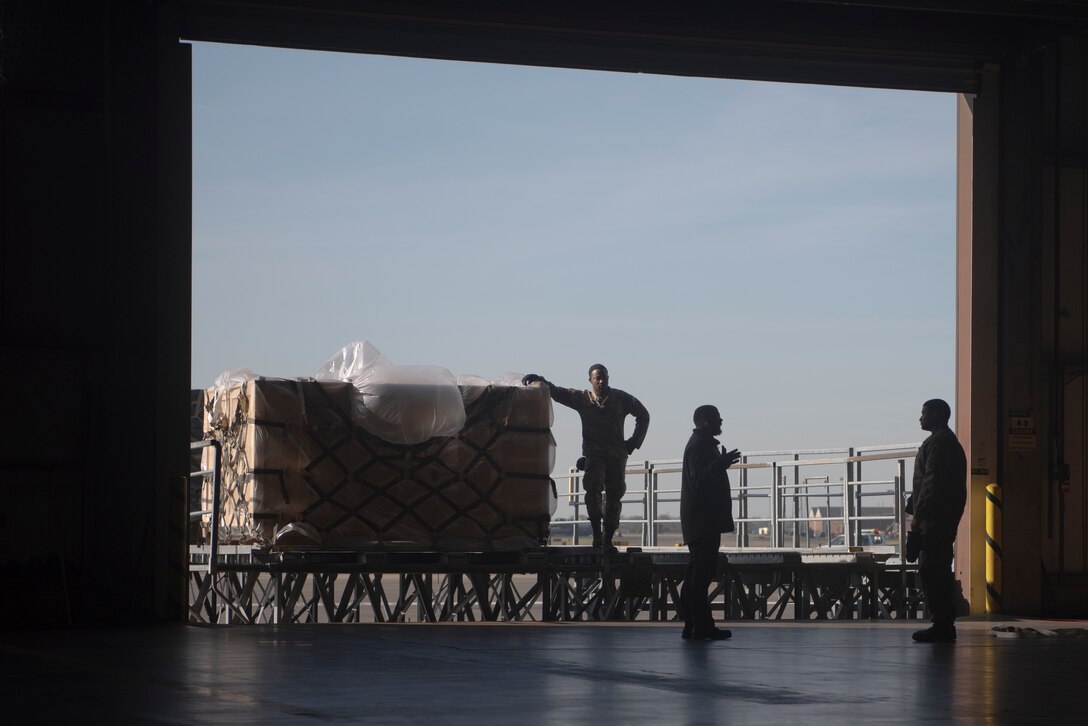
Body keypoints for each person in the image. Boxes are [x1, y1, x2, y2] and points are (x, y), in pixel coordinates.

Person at [522, 365, 649, 550]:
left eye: (604, 377)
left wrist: (633, 442)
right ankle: (597, 535)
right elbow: (558, 393)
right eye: (597, 378)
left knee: (615, 496)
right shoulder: (583, 399)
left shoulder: (620, 398)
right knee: (592, 492)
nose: (601, 381)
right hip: (594, 455)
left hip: (616, 456)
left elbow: (644, 415)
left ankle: (608, 538)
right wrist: (541, 380)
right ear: (590, 380)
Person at [905, 398, 967, 643]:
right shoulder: (942, 442)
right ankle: (941, 622)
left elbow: (932, 483)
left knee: (934, 568)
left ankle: (942, 624)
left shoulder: (940, 443)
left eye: (924, 413)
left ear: (938, 415)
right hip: (938, 515)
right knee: (933, 567)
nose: (920, 418)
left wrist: (917, 521)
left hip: (935, 518)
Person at [679, 405, 740, 641]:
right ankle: (701, 626)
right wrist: (720, 463)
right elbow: (699, 478)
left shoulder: (701, 445)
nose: (721, 421)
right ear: (704, 421)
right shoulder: (699, 446)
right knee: (700, 576)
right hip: (703, 521)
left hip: (703, 520)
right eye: (716, 418)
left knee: (697, 574)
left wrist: (719, 463)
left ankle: (693, 624)